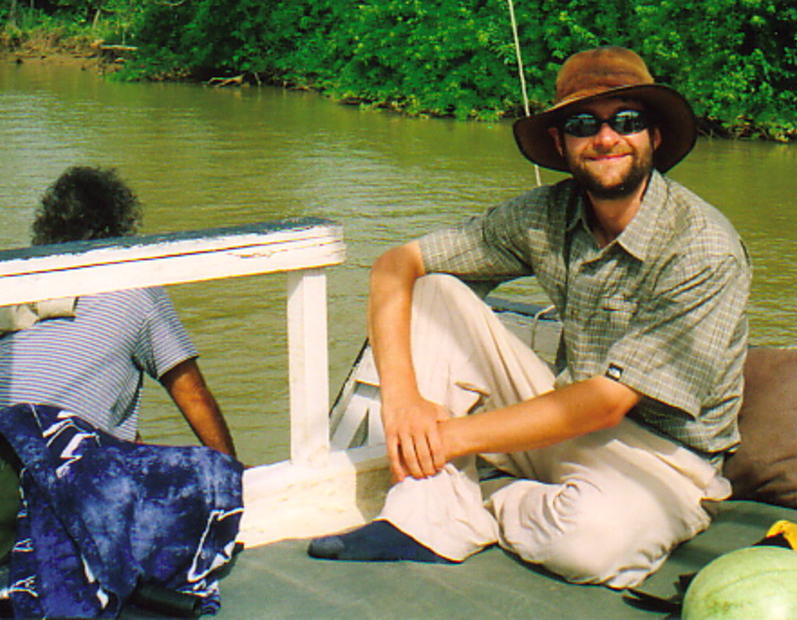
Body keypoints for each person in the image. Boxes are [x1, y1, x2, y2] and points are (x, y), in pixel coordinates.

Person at [309, 46, 749, 590]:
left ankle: (480, 502)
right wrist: (403, 402)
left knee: (592, 546)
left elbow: (610, 402)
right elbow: (396, 265)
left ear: (653, 138)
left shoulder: (704, 249)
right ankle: (424, 514)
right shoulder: (546, 214)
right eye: (583, 124)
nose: (606, 138)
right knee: (436, 290)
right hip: (564, 420)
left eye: (627, 121)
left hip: (668, 461)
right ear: (561, 144)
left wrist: (447, 439)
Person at [0, 165, 235, 457]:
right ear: (120, 225)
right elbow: (194, 397)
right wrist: (234, 476)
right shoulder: (135, 287)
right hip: (52, 465)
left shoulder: (27, 290)